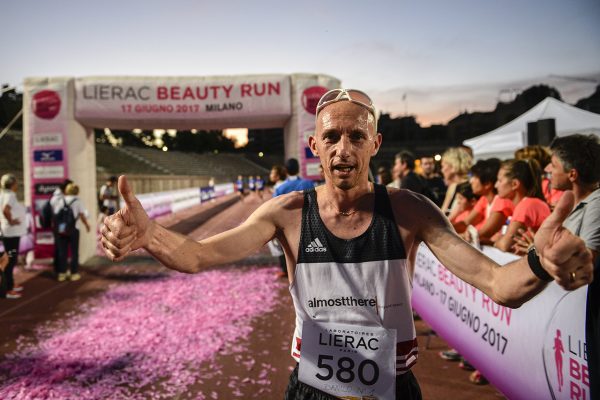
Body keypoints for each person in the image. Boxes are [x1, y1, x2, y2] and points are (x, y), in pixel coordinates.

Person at [101, 88, 593, 400]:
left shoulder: (409, 209)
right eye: (331, 137)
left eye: (357, 137)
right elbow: (200, 254)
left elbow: (497, 282)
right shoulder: (287, 214)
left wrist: (539, 262)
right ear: (313, 146)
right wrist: (149, 235)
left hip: (393, 389)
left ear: (375, 144)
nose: (343, 149)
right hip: (312, 389)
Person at [494, 159, 551, 253]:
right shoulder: (527, 203)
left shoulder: (528, 204)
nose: (496, 185)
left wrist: (496, 243)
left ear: (515, 184)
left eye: (500, 181)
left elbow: (505, 245)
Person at [454, 159, 514, 245]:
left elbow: (485, 233)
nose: (471, 181)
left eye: (475, 177)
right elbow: (465, 223)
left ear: (487, 184)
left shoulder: (502, 201)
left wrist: (458, 235)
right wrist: (443, 228)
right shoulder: (484, 199)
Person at [55, 183, 90, 281]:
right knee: (74, 252)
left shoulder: (61, 200)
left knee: (63, 252)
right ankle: (74, 273)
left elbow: (56, 214)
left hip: (62, 229)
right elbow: (82, 215)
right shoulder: (78, 201)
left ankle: (62, 273)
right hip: (74, 229)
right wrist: (87, 225)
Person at [0, 174, 27, 299]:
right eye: (16, 183)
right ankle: (8, 289)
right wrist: (11, 221)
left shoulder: (3, 194)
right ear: (12, 184)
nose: (17, 185)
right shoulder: (10, 195)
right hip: (11, 233)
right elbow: (6, 210)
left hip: (8, 232)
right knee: (10, 259)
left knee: (9, 259)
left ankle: (9, 284)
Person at [440, 147, 473, 215]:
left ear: (453, 166)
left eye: (443, 166)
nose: (442, 170)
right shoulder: (453, 187)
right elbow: (442, 214)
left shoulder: (469, 187)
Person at [49, 179, 73, 274]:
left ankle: (58, 268)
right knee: (61, 247)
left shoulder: (57, 196)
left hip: (58, 224)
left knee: (59, 247)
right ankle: (61, 269)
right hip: (60, 225)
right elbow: (58, 212)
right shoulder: (59, 198)